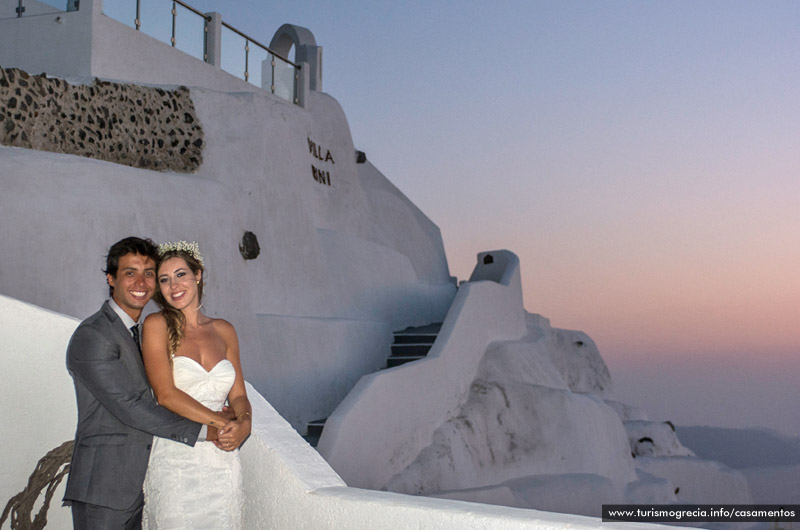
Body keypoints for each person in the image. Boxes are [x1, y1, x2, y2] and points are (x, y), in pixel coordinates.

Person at [64, 237, 230, 530]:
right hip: (104, 487)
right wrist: (210, 430)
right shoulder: (94, 335)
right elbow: (131, 406)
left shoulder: (143, 334)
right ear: (111, 279)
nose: (141, 281)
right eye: (130, 272)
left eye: (149, 273)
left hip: (146, 482)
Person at [141, 241, 251, 529]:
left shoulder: (224, 330)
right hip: (177, 458)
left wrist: (246, 423)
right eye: (164, 280)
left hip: (222, 461)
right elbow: (166, 395)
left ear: (198, 275)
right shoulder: (156, 325)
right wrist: (219, 424)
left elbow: (238, 394)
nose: (173, 285)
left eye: (180, 275)